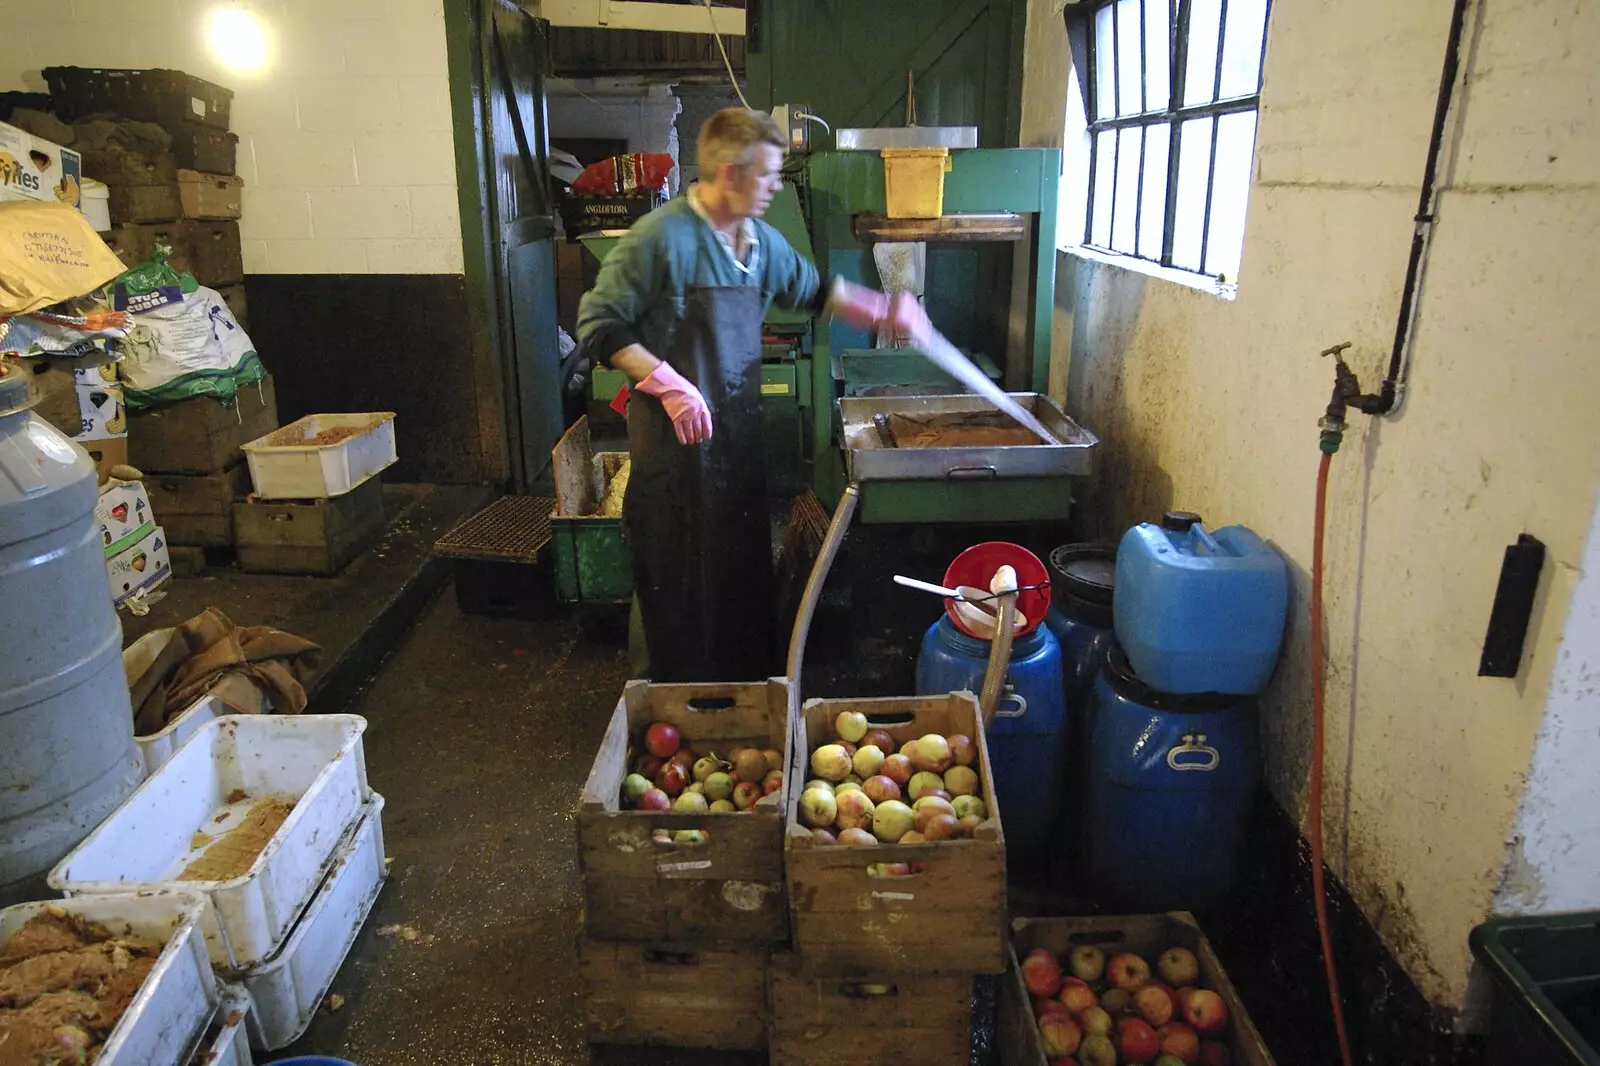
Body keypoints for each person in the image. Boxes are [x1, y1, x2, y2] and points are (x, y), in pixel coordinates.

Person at [577, 107, 927, 683]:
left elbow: (816, 292)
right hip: (673, 448)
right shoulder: (660, 238)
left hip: (736, 441)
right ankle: (658, 704)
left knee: (737, 574)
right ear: (729, 174)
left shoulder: (760, 242)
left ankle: (736, 700)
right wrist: (668, 385)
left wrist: (886, 309)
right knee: (672, 578)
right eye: (765, 176)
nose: (773, 187)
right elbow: (600, 327)